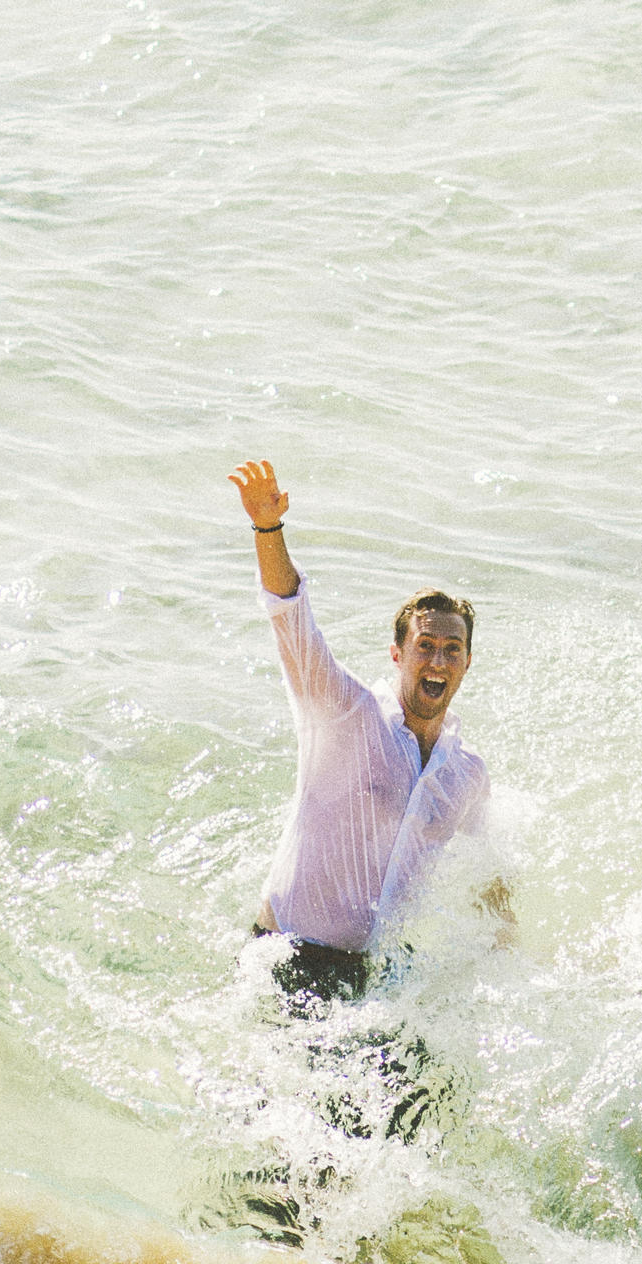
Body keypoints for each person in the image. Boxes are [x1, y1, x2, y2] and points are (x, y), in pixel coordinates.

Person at [228, 458, 494, 1144]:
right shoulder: (345, 714)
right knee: (289, 1140)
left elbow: (484, 876)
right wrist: (268, 525)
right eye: (425, 646)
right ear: (398, 654)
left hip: (374, 977)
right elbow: (292, 622)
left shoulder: (466, 775)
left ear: (467, 664)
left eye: (451, 651)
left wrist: (518, 962)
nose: (436, 662)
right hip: (290, 958)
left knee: (414, 1118)